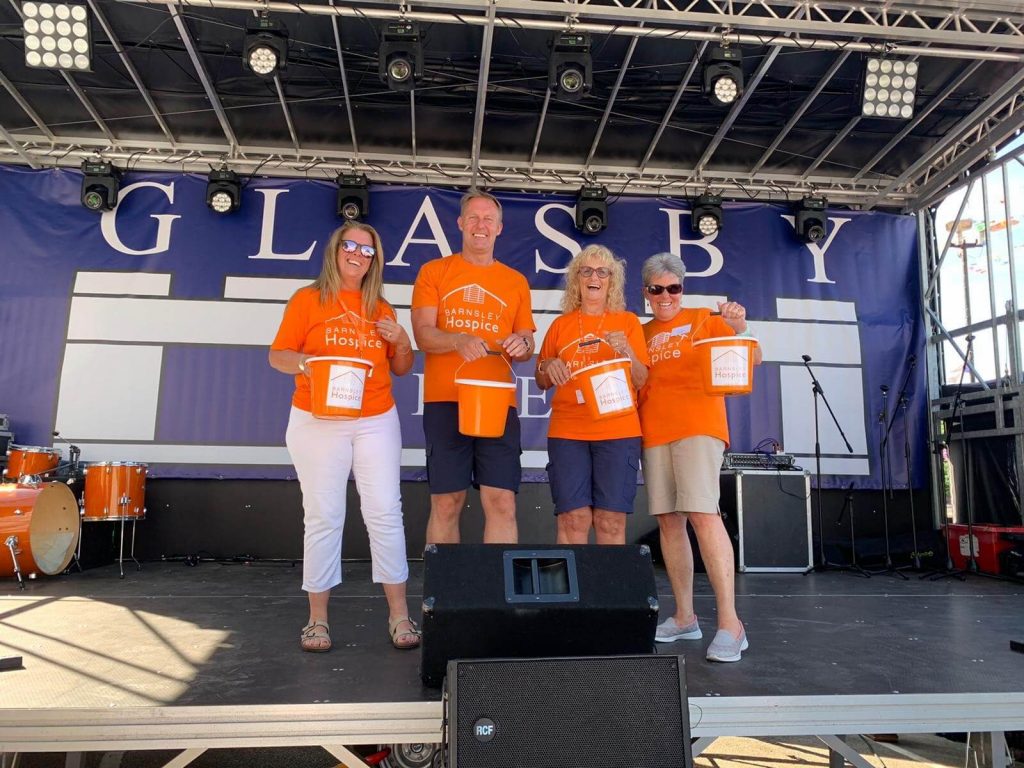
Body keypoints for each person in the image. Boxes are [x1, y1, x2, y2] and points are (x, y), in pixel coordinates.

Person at [269, 222, 420, 653]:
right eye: (349, 246)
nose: (357, 253)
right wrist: (306, 363)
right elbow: (277, 355)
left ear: (375, 260)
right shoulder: (308, 299)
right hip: (317, 418)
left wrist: (403, 341)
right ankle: (317, 620)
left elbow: (403, 366)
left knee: (385, 512)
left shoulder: (383, 307)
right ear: (335, 250)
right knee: (323, 514)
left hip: (374, 418)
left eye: (367, 250)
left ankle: (399, 614)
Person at [637, 252, 760, 663]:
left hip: (698, 428)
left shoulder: (704, 318)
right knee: (669, 524)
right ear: (647, 293)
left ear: (682, 290)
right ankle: (686, 616)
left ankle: (731, 624)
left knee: (704, 515)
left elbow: (752, 355)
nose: (666, 295)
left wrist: (738, 323)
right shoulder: (641, 332)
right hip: (654, 433)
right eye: (657, 288)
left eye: (673, 287)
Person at [411, 190, 536, 544]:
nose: (481, 225)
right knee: (447, 502)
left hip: (498, 404)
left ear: (499, 228)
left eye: (488, 220)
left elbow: (527, 343)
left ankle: (497, 596)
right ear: (461, 224)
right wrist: (458, 340)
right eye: (474, 218)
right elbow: (423, 334)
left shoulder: (515, 281)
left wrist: (521, 344)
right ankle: (444, 597)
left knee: (501, 502)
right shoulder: (435, 272)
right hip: (446, 401)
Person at [534, 244, 650, 545]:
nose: (593, 276)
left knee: (610, 523)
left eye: (602, 271)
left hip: (618, 431)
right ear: (576, 279)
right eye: (586, 270)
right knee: (574, 519)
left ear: (612, 280)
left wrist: (627, 352)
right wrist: (549, 364)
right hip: (568, 431)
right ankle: (573, 594)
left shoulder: (628, 323)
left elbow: (641, 379)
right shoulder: (560, 325)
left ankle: (606, 593)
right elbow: (541, 379)